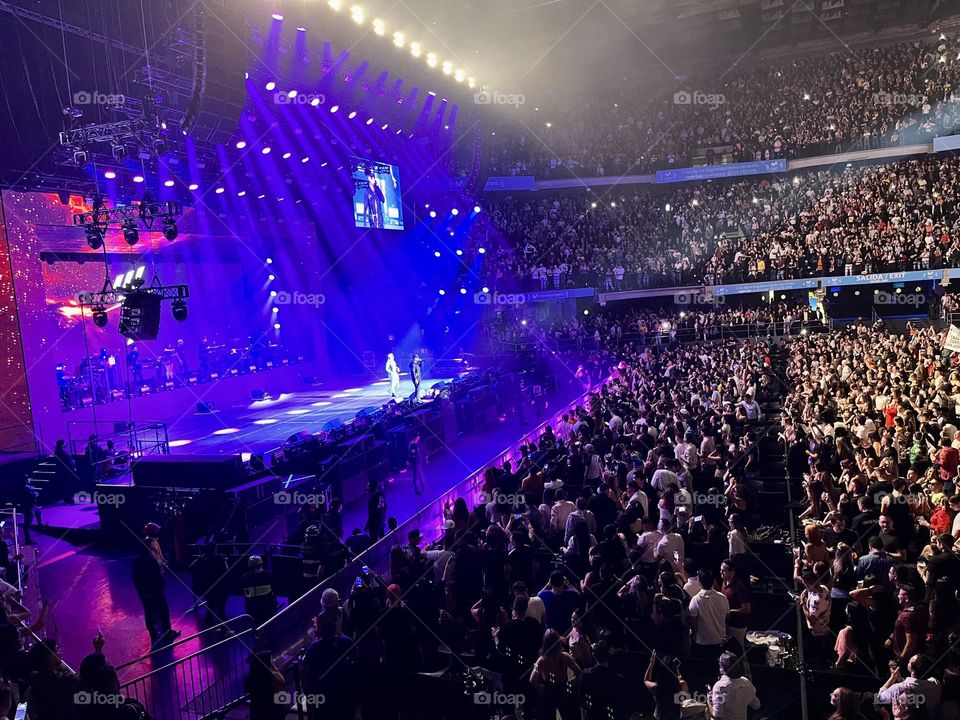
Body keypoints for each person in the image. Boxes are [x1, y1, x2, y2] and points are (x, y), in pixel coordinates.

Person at [131, 543, 179, 649]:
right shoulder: (151, 561)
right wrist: (161, 586)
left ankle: (153, 635)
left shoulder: (134, 562)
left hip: (144, 594)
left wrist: (140, 591)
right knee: (164, 612)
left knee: (148, 614)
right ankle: (167, 635)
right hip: (156, 592)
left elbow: (135, 579)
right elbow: (158, 577)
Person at [688, 568, 729, 661]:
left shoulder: (696, 599)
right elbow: (727, 615)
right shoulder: (723, 598)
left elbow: (692, 621)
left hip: (702, 641)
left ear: (700, 583)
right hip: (719, 640)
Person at [710, 651, 761, 720]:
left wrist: (709, 702)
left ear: (721, 668)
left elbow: (718, 715)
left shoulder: (719, 687)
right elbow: (756, 705)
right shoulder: (746, 682)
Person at [240, 555, 278, 627]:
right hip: (268, 607)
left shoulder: (244, 577)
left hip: (252, 609)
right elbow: (275, 590)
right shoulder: (269, 575)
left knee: (256, 627)